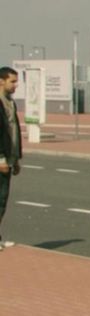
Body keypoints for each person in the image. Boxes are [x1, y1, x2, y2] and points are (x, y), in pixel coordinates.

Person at [0, 67, 21, 251]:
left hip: (9, 159)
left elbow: (13, 132)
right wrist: (1, 159)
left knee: (3, 200)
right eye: (12, 81)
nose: (15, 85)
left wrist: (16, 158)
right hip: (0, 161)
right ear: (1, 81)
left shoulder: (11, 103)